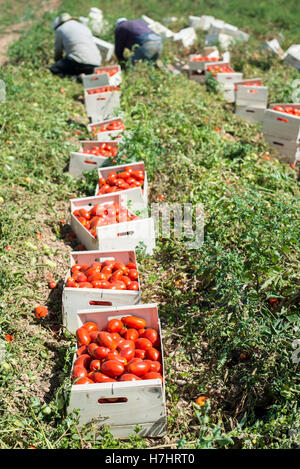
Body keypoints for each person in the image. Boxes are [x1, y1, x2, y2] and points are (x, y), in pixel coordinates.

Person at [50, 13, 101, 78]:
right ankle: (88, 74)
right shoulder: (83, 27)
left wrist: (58, 62)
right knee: (76, 62)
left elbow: (58, 52)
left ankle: (76, 78)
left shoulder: (60, 29)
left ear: (59, 23)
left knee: (54, 69)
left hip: (79, 63)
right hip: (96, 64)